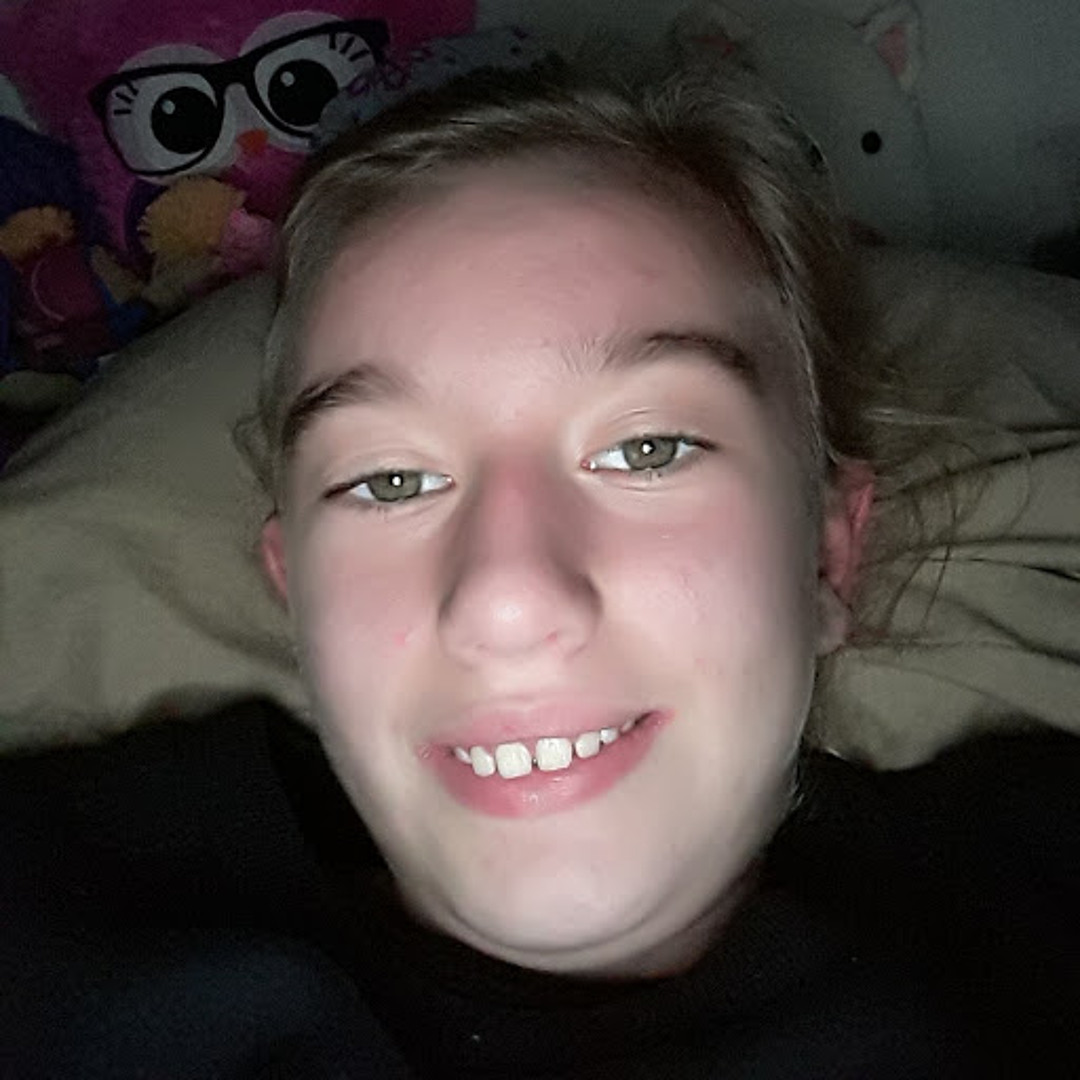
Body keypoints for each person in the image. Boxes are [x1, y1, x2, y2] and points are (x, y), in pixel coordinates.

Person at [2, 62, 1077, 1078]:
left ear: (828, 553)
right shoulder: (61, 906)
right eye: (390, 481)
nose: (506, 598)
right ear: (295, 588)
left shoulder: (1033, 898)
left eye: (647, 449)